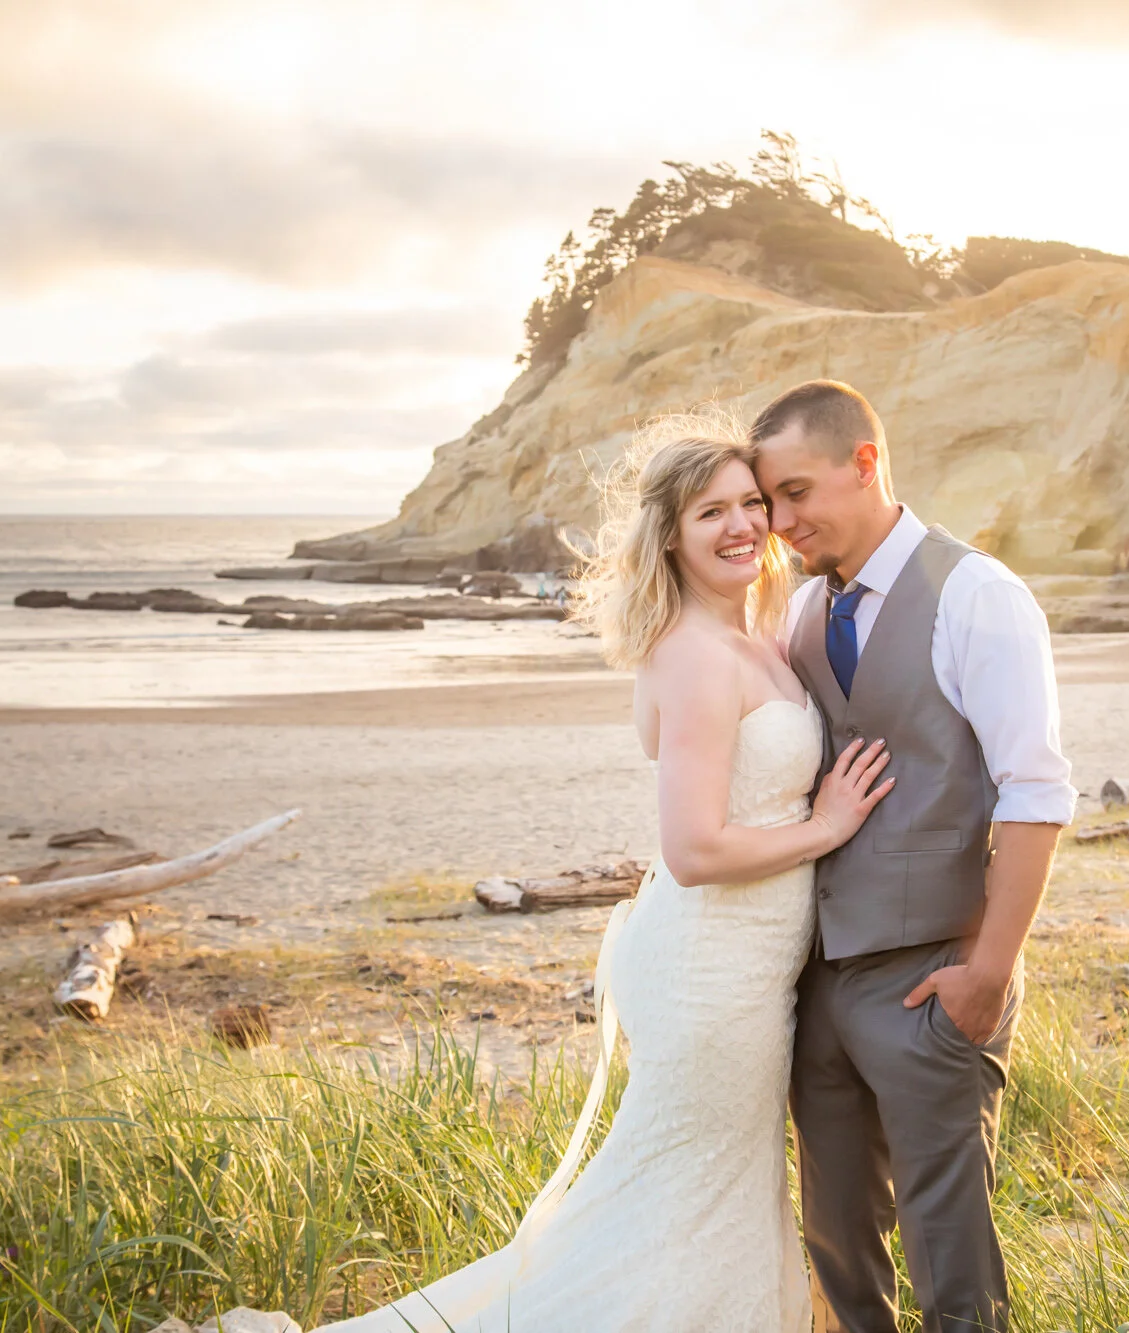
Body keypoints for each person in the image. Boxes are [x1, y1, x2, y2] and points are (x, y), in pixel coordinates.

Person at [312, 408, 893, 1331]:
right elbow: (694, 850)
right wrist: (825, 826)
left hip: (744, 969)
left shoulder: (752, 636)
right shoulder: (696, 655)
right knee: (690, 1196)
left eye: (751, 502)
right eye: (711, 511)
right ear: (670, 536)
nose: (742, 524)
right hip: (709, 974)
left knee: (710, 1190)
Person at [752, 380, 1076, 1332]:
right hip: (820, 981)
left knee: (952, 1258)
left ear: (866, 463)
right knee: (837, 1243)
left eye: (797, 492)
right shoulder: (801, 611)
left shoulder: (977, 594)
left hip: (934, 975)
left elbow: (1035, 794)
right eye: (769, 501)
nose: (780, 522)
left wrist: (988, 972)